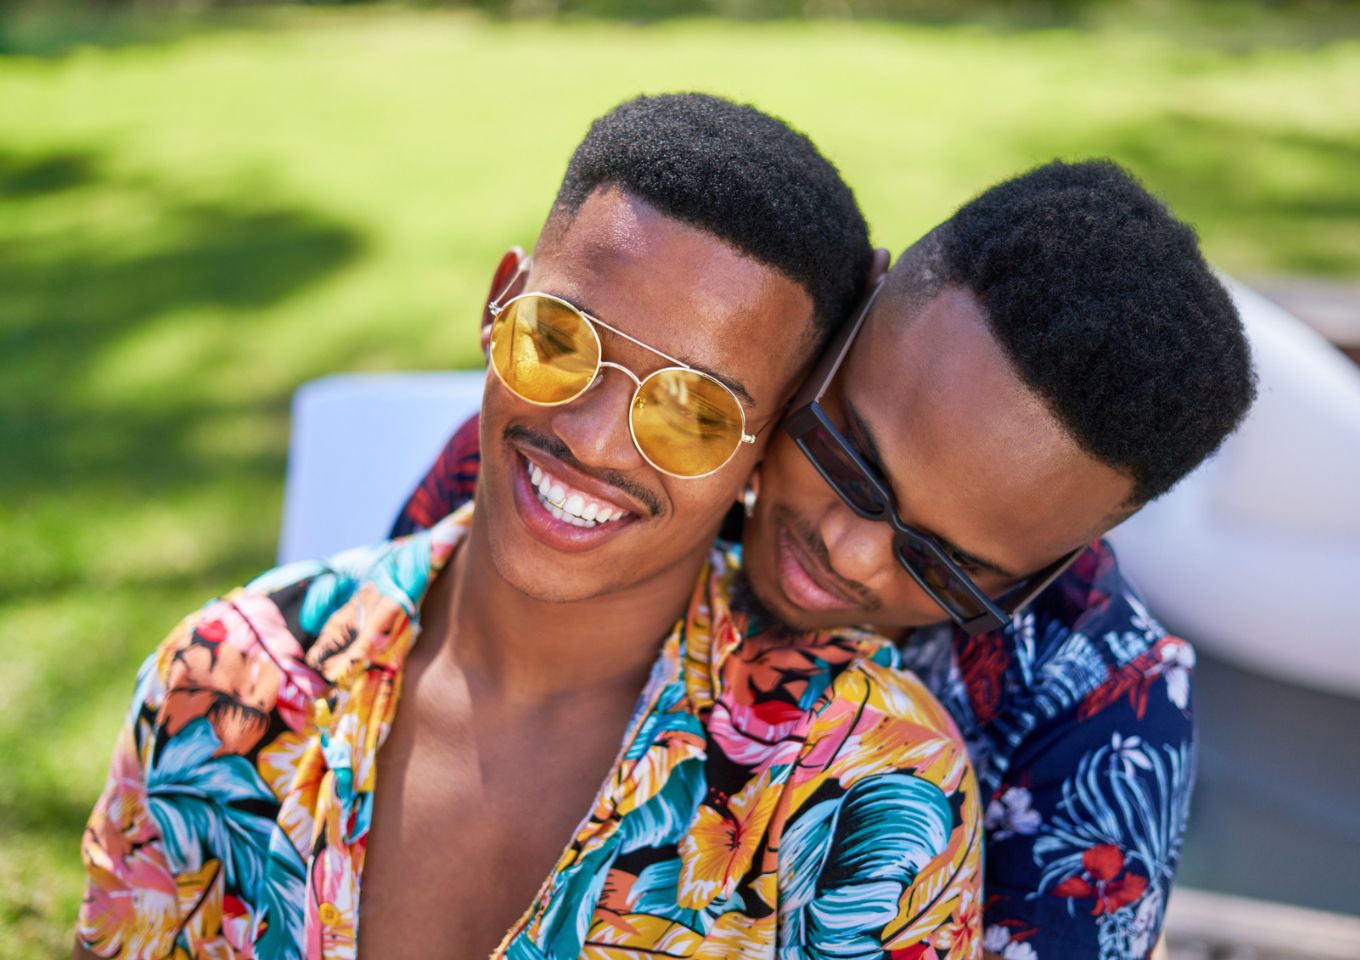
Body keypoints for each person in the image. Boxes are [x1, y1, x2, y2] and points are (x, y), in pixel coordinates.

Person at [74, 95, 985, 960]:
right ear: (498, 303)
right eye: (560, 340)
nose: (589, 439)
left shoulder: (867, 782)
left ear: (765, 447)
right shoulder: (223, 683)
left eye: (695, 410)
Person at [394, 160, 1258, 959]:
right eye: (847, 456)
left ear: (1052, 567)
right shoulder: (577, 472)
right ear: (855, 318)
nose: (847, 553)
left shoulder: (1101, 717)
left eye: (945, 563)